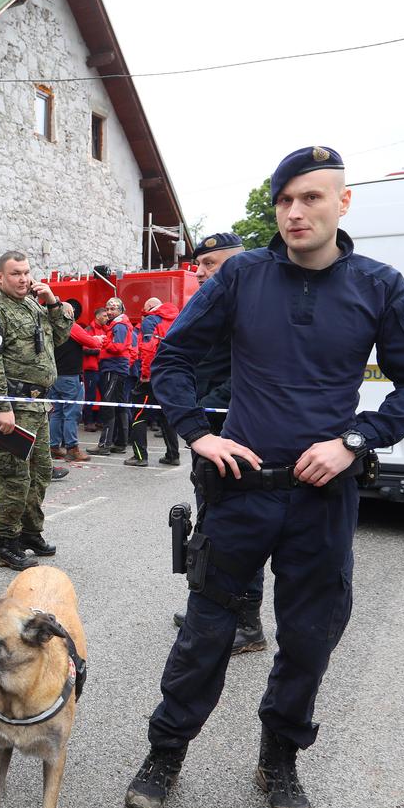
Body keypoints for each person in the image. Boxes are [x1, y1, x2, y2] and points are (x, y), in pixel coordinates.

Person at [125, 146, 404, 808]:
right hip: (239, 490)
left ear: (342, 202)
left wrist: (354, 441)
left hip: (322, 500)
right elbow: (174, 358)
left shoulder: (378, 285)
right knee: (205, 634)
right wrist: (198, 432)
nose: (296, 211)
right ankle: (165, 752)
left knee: (308, 638)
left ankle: (279, 757)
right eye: (284, 200)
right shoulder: (244, 274)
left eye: (311, 197)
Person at [164, 232, 266, 656]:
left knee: (238, 530)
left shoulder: (254, 304)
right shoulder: (217, 302)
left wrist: (210, 415)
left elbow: (244, 373)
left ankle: (246, 623)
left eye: (212, 265)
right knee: (210, 525)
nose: (202, 273)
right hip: (211, 431)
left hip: (234, 430)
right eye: (200, 265)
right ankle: (217, 611)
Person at [0, 251, 74, 571]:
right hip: (13, 406)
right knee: (13, 476)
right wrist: (2, 407)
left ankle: (30, 533)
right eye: (16, 273)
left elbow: (60, 336)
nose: (23, 279)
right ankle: (6, 545)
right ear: (0, 277)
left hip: (37, 405)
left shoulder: (32, 303)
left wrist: (53, 301)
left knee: (41, 473)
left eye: (27, 272)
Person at [125, 297, 181, 467]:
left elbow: (148, 348)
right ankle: (173, 455)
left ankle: (140, 456)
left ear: (150, 307)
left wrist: (145, 374)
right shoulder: (177, 319)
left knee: (138, 414)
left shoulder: (151, 320)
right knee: (166, 415)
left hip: (153, 375)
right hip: (172, 374)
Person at [48, 299, 99, 463]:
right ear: (69, 313)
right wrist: (99, 339)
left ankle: (53, 446)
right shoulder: (71, 326)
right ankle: (72, 448)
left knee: (57, 413)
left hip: (55, 375)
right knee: (72, 413)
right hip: (70, 376)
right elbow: (92, 342)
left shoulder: (50, 326)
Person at [91, 302, 134, 456]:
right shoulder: (119, 324)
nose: (109, 311)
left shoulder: (119, 325)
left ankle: (104, 445)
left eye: (112, 309)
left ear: (120, 310)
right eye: (107, 309)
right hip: (118, 368)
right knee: (120, 405)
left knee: (108, 405)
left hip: (113, 368)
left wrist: (103, 340)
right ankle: (121, 443)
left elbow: (118, 347)